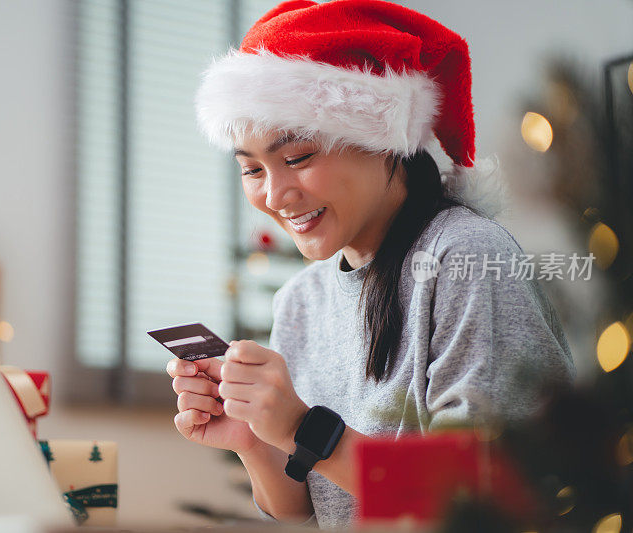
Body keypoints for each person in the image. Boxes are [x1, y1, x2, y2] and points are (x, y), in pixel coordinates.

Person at [166, 0, 575, 529]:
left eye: (297, 158)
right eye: (251, 170)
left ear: (382, 139)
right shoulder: (300, 300)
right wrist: (253, 440)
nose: (275, 193)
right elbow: (309, 511)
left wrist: (301, 427)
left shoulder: (465, 258)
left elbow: (486, 498)